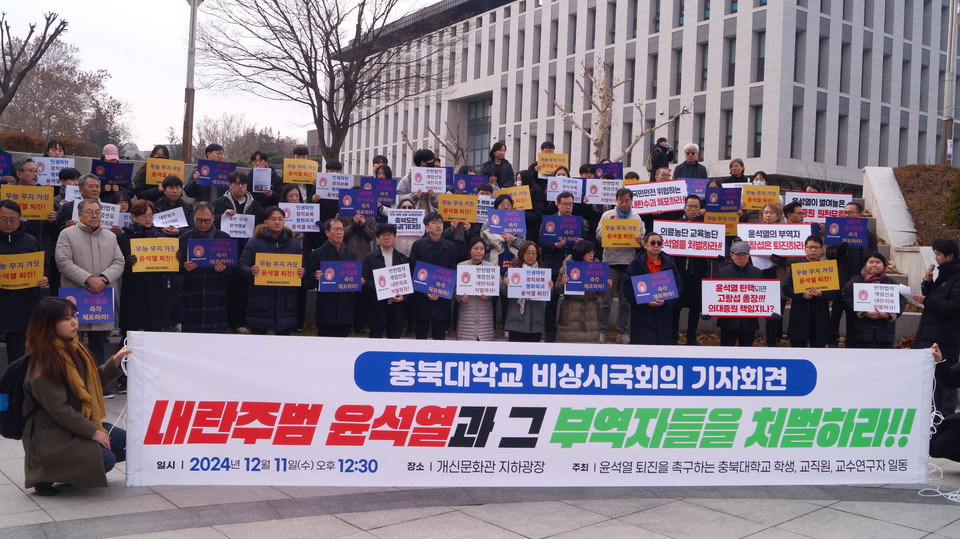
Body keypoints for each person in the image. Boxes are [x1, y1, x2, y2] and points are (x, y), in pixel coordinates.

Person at [21, 297, 132, 496]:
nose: (74, 322)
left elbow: (89, 383)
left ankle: (73, 470)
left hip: (73, 426)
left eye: (74, 316)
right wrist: (93, 432)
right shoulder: (44, 360)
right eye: (66, 319)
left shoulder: (72, 347)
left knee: (128, 444)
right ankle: (45, 474)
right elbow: (59, 409)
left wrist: (115, 361)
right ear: (49, 325)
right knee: (106, 459)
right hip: (52, 437)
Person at [54, 199, 124, 365]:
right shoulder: (67, 234)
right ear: (79, 215)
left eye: (97, 212)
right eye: (89, 212)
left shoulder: (110, 236)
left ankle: (99, 384)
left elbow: (119, 262)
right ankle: (74, 385)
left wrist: (103, 278)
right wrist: (88, 280)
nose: (94, 215)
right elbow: (63, 262)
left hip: (101, 296)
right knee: (72, 343)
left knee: (98, 344)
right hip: (76, 296)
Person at [911, 238, 960, 416]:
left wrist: (927, 300)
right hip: (930, 334)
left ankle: (945, 416)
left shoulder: (956, 276)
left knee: (944, 382)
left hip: (945, 340)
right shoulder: (945, 273)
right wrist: (928, 285)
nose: (936, 258)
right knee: (929, 383)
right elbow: (936, 300)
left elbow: (953, 307)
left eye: (938, 254)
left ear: (950, 255)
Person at [238, 206, 305, 335]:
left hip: (286, 302)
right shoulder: (254, 243)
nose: (277, 222)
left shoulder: (294, 244)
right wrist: (250, 271)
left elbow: (303, 267)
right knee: (258, 345)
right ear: (266, 222)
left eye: (280, 219)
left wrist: (302, 272)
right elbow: (242, 266)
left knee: (283, 347)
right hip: (261, 301)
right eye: (273, 219)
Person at [214, 171, 264, 333]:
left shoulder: (255, 206)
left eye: (243, 183)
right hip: (224, 250)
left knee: (243, 288)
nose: (240, 186)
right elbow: (210, 222)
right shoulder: (219, 203)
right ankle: (225, 322)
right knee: (225, 288)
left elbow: (260, 228)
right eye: (236, 183)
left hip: (247, 251)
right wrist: (221, 217)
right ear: (229, 185)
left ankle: (240, 322)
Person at [0, 200, 49, 365]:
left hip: (22, 303)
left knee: (18, 352)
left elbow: (44, 266)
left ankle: (16, 386)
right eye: (3, 219)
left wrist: (44, 277)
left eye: (13, 220)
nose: (8, 224)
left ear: (20, 218)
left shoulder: (30, 241)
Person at [596, 188, 645, 343]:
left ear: (631, 201)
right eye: (621, 201)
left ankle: (622, 332)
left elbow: (644, 241)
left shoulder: (636, 218)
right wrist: (609, 226)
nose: (624, 204)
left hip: (628, 264)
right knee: (605, 301)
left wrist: (640, 241)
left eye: (627, 201)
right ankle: (601, 331)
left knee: (625, 302)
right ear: (616, 200)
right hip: (609, 263)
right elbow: (598, 235)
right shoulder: (607, 215)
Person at [826, 201, 878, 346]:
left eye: (850, 212)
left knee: (855, 316)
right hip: (840, 280)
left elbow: (875, 257)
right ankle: (831, 341)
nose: (846, 215)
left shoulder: (869, 235)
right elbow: (829, 254)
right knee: (836, 313)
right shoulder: (835, 231)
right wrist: (841, 247)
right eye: (845, 212)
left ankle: (852, 343)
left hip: (861, 282)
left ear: (859, 215)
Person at [178, 202, 232, 334]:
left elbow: (233, 268)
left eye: (206, 220)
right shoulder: (184, 238)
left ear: (213, 217)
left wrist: (224, 269)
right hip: (192, 293)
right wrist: (184, 267)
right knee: (191, 337)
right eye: (199, 220)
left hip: (215, 293)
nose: (203, 224)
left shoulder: (224, 238)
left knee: (216, 339)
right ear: (193, 218)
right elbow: (175, 267)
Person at [116, 200, 169, 335]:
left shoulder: (161, 238)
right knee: (131, 332)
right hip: (133, 291)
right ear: (133, 216)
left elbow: (171, 267)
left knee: (155, 332)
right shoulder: (123, 238)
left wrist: (175, 257)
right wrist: (127, 263)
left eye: (150, 215)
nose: (147, 219)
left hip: (155, 291)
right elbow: (116, 265)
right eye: (143, 216)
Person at [623, 232, 682, 345]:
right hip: (642, 317)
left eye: (659, 243)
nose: (656, 246)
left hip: (664, 317)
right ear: (645, 245)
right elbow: (627, 289)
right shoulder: (636, 264)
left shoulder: (670, 263)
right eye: (652, 243)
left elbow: (678, 286)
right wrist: (644, 301)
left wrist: (666, 301)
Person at [408, 212, 458, 339]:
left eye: (440, 222)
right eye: (434, 222)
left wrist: (439, 291)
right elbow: (413, 270)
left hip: (441, 297)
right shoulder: (418, 246)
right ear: (426, 227)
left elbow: (452, 271)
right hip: (422, 297)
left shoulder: (451, 247)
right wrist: (426, 292)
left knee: (440, 336)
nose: (438, 225)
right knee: (421, 336)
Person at [782, 235, 838, 348]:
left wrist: (821, 294)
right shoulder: (797, 267)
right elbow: (786, 288)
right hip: (800, 312)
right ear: (805, 249)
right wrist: (802, 295)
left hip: (820, 314)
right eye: (810, 247)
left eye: (816, 247)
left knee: (818, 348)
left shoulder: (827, 269)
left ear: (821, 250)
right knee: (798, 348)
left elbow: (835, 292)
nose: (813, 250)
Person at [539, 191, 581, 342]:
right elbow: (541, 243)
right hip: (554, 264)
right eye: (565, 204)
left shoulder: (577, 222)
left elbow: (587, 244)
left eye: (571, 204)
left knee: (573, 301)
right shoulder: (549, 221)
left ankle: (571, 331)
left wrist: (580, 243)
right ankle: (550, 331)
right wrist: (554, 245)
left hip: (573, 266)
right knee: (552, 300)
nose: (569, 207)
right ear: (557, 204)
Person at [840, 252, 902, 349]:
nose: (874, 265)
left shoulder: (891, 283)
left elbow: (901, 301)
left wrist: (887, 314)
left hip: (884, 335)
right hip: (858, 334)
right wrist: (862, 311)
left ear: (884, 265)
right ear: (865, 264)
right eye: (871, 262)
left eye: (878, 262)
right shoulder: (855, 281)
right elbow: (845, 297)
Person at [671, 194, 711, 345]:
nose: (693, 209)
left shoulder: (707, 227)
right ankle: (673, 335)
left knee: (695, 307)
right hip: (678, 273)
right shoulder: (675, 225)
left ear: (700, 209)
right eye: (690, 206)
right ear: (684, 207)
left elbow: (714, 250)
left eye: (696, 206)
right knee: (675, 306)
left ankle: (691, 337)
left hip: (697, 273)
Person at [307, 218, 357, 337]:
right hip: (327, 309)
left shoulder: (350, 254)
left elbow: (353, 278)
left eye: (341, 229)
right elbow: (308, 279)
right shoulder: (318, 253)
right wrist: (315, 276)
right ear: (327, 232)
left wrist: (358, 280)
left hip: (345, 309)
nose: (339, 232)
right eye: (336, 229)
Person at [555, 240, 608, 343]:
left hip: (589, 310)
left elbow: (598, 294)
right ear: (580, 253)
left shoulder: (597, 269)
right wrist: (563, 283)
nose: (591, 255)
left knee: (590, 344)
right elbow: (557, 289)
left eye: (592, 252)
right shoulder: (566, 268)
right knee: (568, 345)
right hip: (570, 310)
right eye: (588, 253)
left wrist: (605, 286)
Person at [363, 223, 409, 339]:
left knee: (394, 342)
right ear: (378, 238)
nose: (387, 238)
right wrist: (383, 290)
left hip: (396, 308)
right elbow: (365, 282)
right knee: (375, 339)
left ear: (394, 237)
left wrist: (403, 297)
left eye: (390, 235)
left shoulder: (402, 258)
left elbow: (408, 284)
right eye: (383, 235)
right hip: (377, 307)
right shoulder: (370, 258)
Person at [713, 242, 764, 346]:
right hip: (728, 323)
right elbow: (714, 296)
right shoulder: (722, 273)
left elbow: (764, 297)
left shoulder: (757, 273)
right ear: (731, 255)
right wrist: (707, 310)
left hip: (749, 323)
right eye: (738, 254)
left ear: (749, 255)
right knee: (726, 353)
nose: (741, 257)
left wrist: (772, 312)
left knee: (747, 355)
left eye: (744, 254)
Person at [501, 241, 552, 342]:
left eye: (534, 253)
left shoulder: (542, 271)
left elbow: (546, 295)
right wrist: (506, 285)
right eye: (528, 252)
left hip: (535, 320)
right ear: (522, 253)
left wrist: (550, 287)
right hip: (516, 320)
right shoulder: (514, 269)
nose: (531, 256)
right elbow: (504, 293)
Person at [456, 236, 495, 341]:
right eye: (475, 248)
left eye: (482, 249)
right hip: (466, 316)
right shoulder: (462, 266)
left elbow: (496, 288)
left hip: (485, 317)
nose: (479, 251)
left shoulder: (491, 267)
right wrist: (460, 298)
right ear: (470, 250)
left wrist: (489, 295)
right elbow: (456, 291)